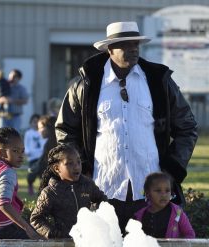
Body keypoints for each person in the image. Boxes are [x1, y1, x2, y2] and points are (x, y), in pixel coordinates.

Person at [55, 21, 198, 234]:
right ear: (110, 50)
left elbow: (187, 127)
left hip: (149, 192)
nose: (133, 50)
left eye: (136, 45)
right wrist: (80, 167)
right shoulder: (87, 84)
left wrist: (172, 168)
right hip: (102, 188)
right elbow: (66, 129)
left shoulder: (158, 81)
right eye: (126, 45)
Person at [30, 144, 107, 239]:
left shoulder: (87, 184)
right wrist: (52, 233)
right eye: (70, 163)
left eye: (78, 162)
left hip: (87, 240)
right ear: (56, 168)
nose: (76, 167)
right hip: (63, 241)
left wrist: (96, 218)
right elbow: (36, 218)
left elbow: (102, 200)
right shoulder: (50, 192)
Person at [134, 172, 195, 238]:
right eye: (158, 191)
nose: (163, 195)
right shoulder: (139, 216)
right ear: (147, 193)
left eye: (167, 190)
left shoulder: (178, 213)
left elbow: (190, 234)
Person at [27, 115, 58, 192]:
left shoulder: (51, 144)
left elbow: (45, 165)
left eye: (40, 128)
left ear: (48, 127)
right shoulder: (52, 142)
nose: (38, 131)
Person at [24, 113, 46, 195]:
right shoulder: (28, 133)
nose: (36, 124)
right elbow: (26, 144)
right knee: (32, 173)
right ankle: (30, 185)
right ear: (30, 123)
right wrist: (27, 152)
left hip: (41, 157)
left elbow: (44, 143)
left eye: (37, 122)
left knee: (42, 173)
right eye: (34, 122)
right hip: (32, 157)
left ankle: (42, 189)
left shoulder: (42, 131)